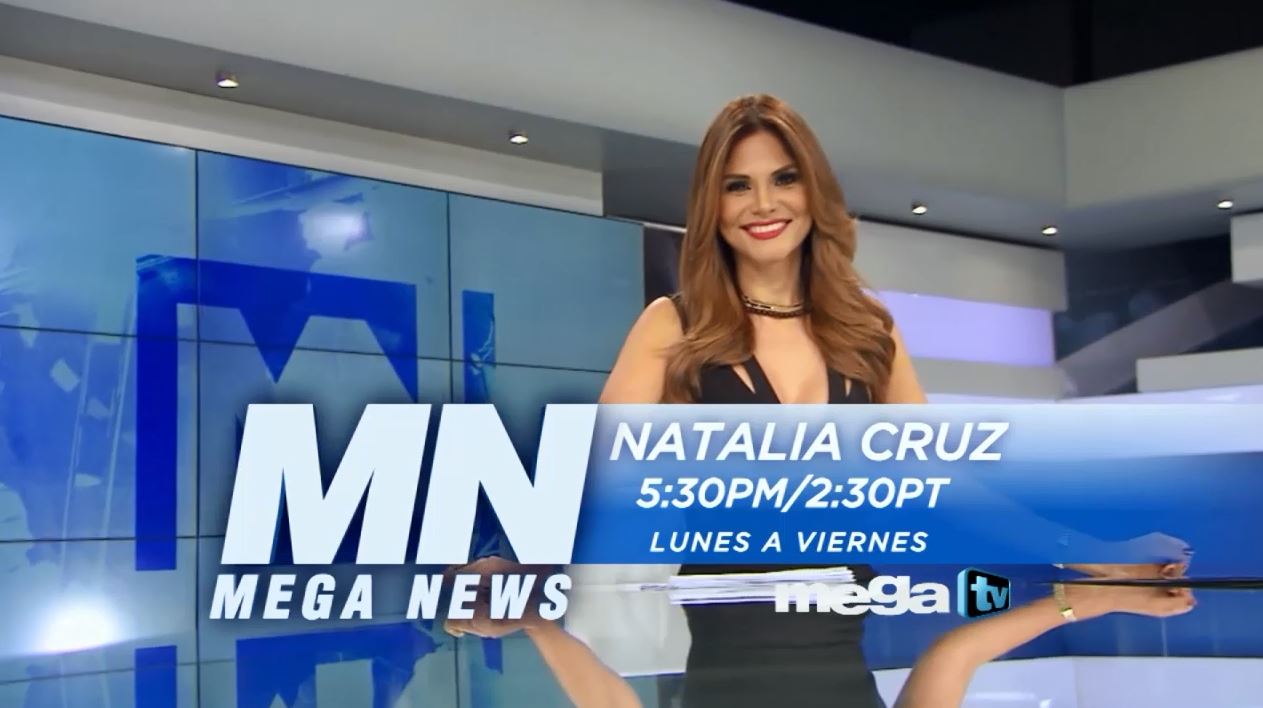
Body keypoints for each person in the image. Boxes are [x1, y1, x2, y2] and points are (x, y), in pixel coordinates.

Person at [597, 93, 927, 708]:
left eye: (784, 179)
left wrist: (1080, 548)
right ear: (713, 205)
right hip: (727, 680)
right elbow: (586, 485)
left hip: (846, 682)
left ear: (814, 191)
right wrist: (502, 568)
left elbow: (954, 480)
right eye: (738, 186)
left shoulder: (871, 332)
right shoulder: (672, 327)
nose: (764, 204)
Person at [443, 566, 1196, 708]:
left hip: (725, 565)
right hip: (832, 564)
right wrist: (1095, 603)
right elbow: (955, 655)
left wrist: (534, 622)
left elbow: (611, 706)